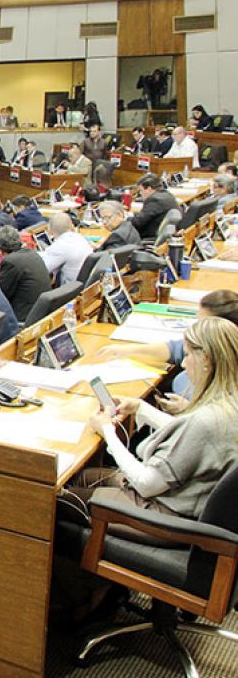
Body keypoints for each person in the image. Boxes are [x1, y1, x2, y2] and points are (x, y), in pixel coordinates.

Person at [76, 317, 238, 521]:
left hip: (164, 515)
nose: (183, 363)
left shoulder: (206, 420)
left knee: (61, 499)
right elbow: (192, 439)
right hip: (181, 497)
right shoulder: (229, 403)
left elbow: (146, 483)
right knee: (81, 477)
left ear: (205, 359)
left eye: (187, 356)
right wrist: (141, 408)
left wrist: (108, 432)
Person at [98, 290, 238, 405]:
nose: (184, 363)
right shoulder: (207, 347)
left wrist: (188, 409)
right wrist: (128, 351)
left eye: (202, 323)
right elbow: (174, 349)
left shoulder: (225, 383)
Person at [0, 226, 52, 323]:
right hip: (41, 310)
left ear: (0, 248)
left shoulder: (10, 262)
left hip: (25, 317)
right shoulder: (32, 253)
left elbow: (2, 293)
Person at [41, 212, 93, 285]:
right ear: (71, 226)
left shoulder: (60, 246)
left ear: (50, 230)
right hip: (84, 284)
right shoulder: (79, 238)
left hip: (70, 289)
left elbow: (42, 269)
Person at [132, 173, 178, 240]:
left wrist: (123, 219)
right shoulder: (167, 194)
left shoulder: (154, 200)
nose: (140, 194)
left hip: (148, 237)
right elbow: (147, 215)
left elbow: (137, 222)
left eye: (141, 191)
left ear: (149, 188)